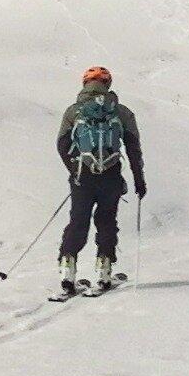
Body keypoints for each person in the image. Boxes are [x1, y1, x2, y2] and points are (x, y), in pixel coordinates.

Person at [53, 67, 144, 295]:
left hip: (83, 176)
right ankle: (104, 270)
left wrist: (75, 170)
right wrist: (139, 179)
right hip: (110, 176)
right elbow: (133, 148)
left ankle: (67, 270)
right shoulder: (121, 112)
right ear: (108, 83)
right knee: (106, 221)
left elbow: (62, 145)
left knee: (78, 221)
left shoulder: (74, 111)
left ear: (85, 83)